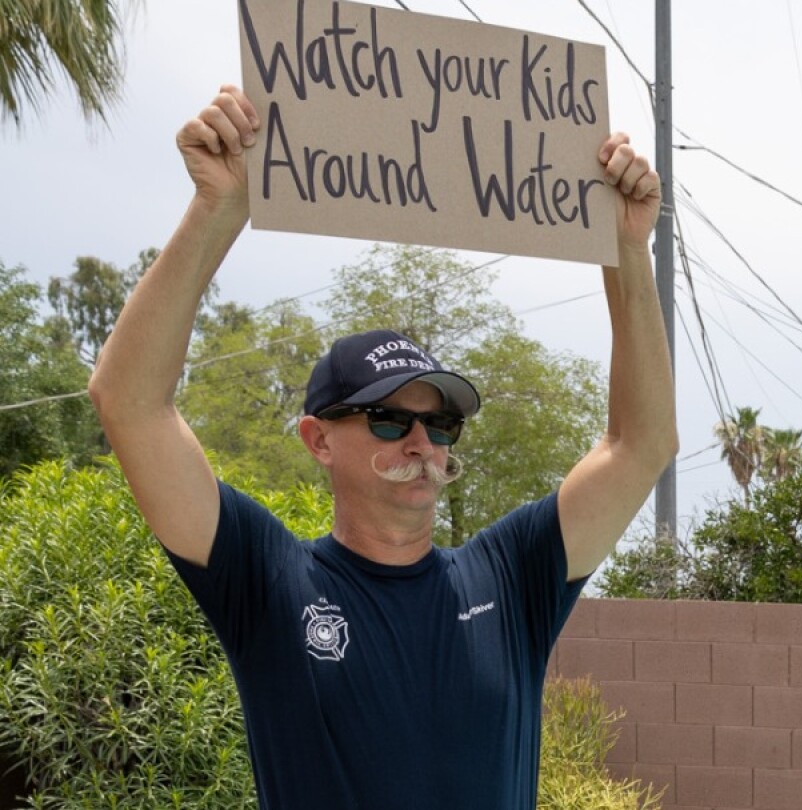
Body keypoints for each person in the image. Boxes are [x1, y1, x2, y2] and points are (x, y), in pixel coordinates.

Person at [88, 84, 677, 809]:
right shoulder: (266, 581)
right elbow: (130, 403)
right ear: (318, 439)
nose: (423, 441)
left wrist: (624, 248)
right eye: (390, 420)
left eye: (442, 424)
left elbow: (641, 443)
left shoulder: (514, 578)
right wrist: (219, 208)